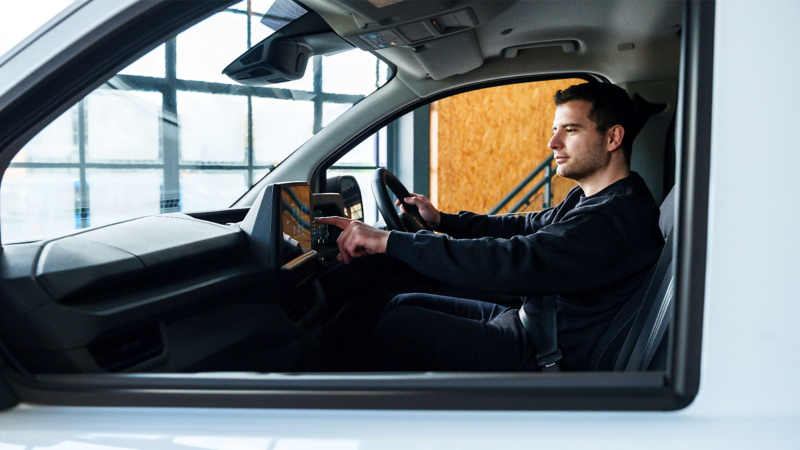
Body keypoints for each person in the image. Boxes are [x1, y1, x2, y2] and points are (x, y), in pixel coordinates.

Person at [316, 83, 665, 372]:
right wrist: (443, 221)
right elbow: (527, 224)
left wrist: (391, 241)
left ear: (613, 138)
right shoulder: (594, 199)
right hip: (534, 325)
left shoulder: (617, 219)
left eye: (570, 131)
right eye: (554, 131)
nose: (553, 143)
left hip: (543, 354)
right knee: (400, 302)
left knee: (399, 328)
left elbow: (514, 259)